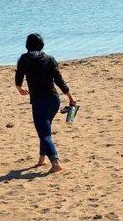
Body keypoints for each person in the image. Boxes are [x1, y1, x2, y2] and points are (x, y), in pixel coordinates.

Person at [15, 33, 76, 173]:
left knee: (44, 134)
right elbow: (59, 80)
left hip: (39, 102)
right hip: (54, 100)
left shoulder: (24, 59)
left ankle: (55, 162)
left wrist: (20, 88)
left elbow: (18, 78)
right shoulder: (49, 59)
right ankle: (41, 159)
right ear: (41, 45)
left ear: (27, 45)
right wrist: (71, 97)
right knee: (45, 130)